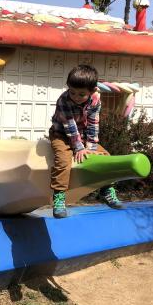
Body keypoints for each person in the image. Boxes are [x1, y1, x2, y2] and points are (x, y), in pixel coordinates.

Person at [49, 65, 123, 218]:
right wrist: (79, 148)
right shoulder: (64, 100)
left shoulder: (95, 100)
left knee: (105, 156)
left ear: (93, 90)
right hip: (60, 134)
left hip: (82, 134)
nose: (75, 96)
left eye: (81, 94)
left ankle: (106, 189)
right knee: (63, 161)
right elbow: (69, 127)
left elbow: (93, 123)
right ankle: (59, 197)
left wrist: (91, 147)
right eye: (72, 92)